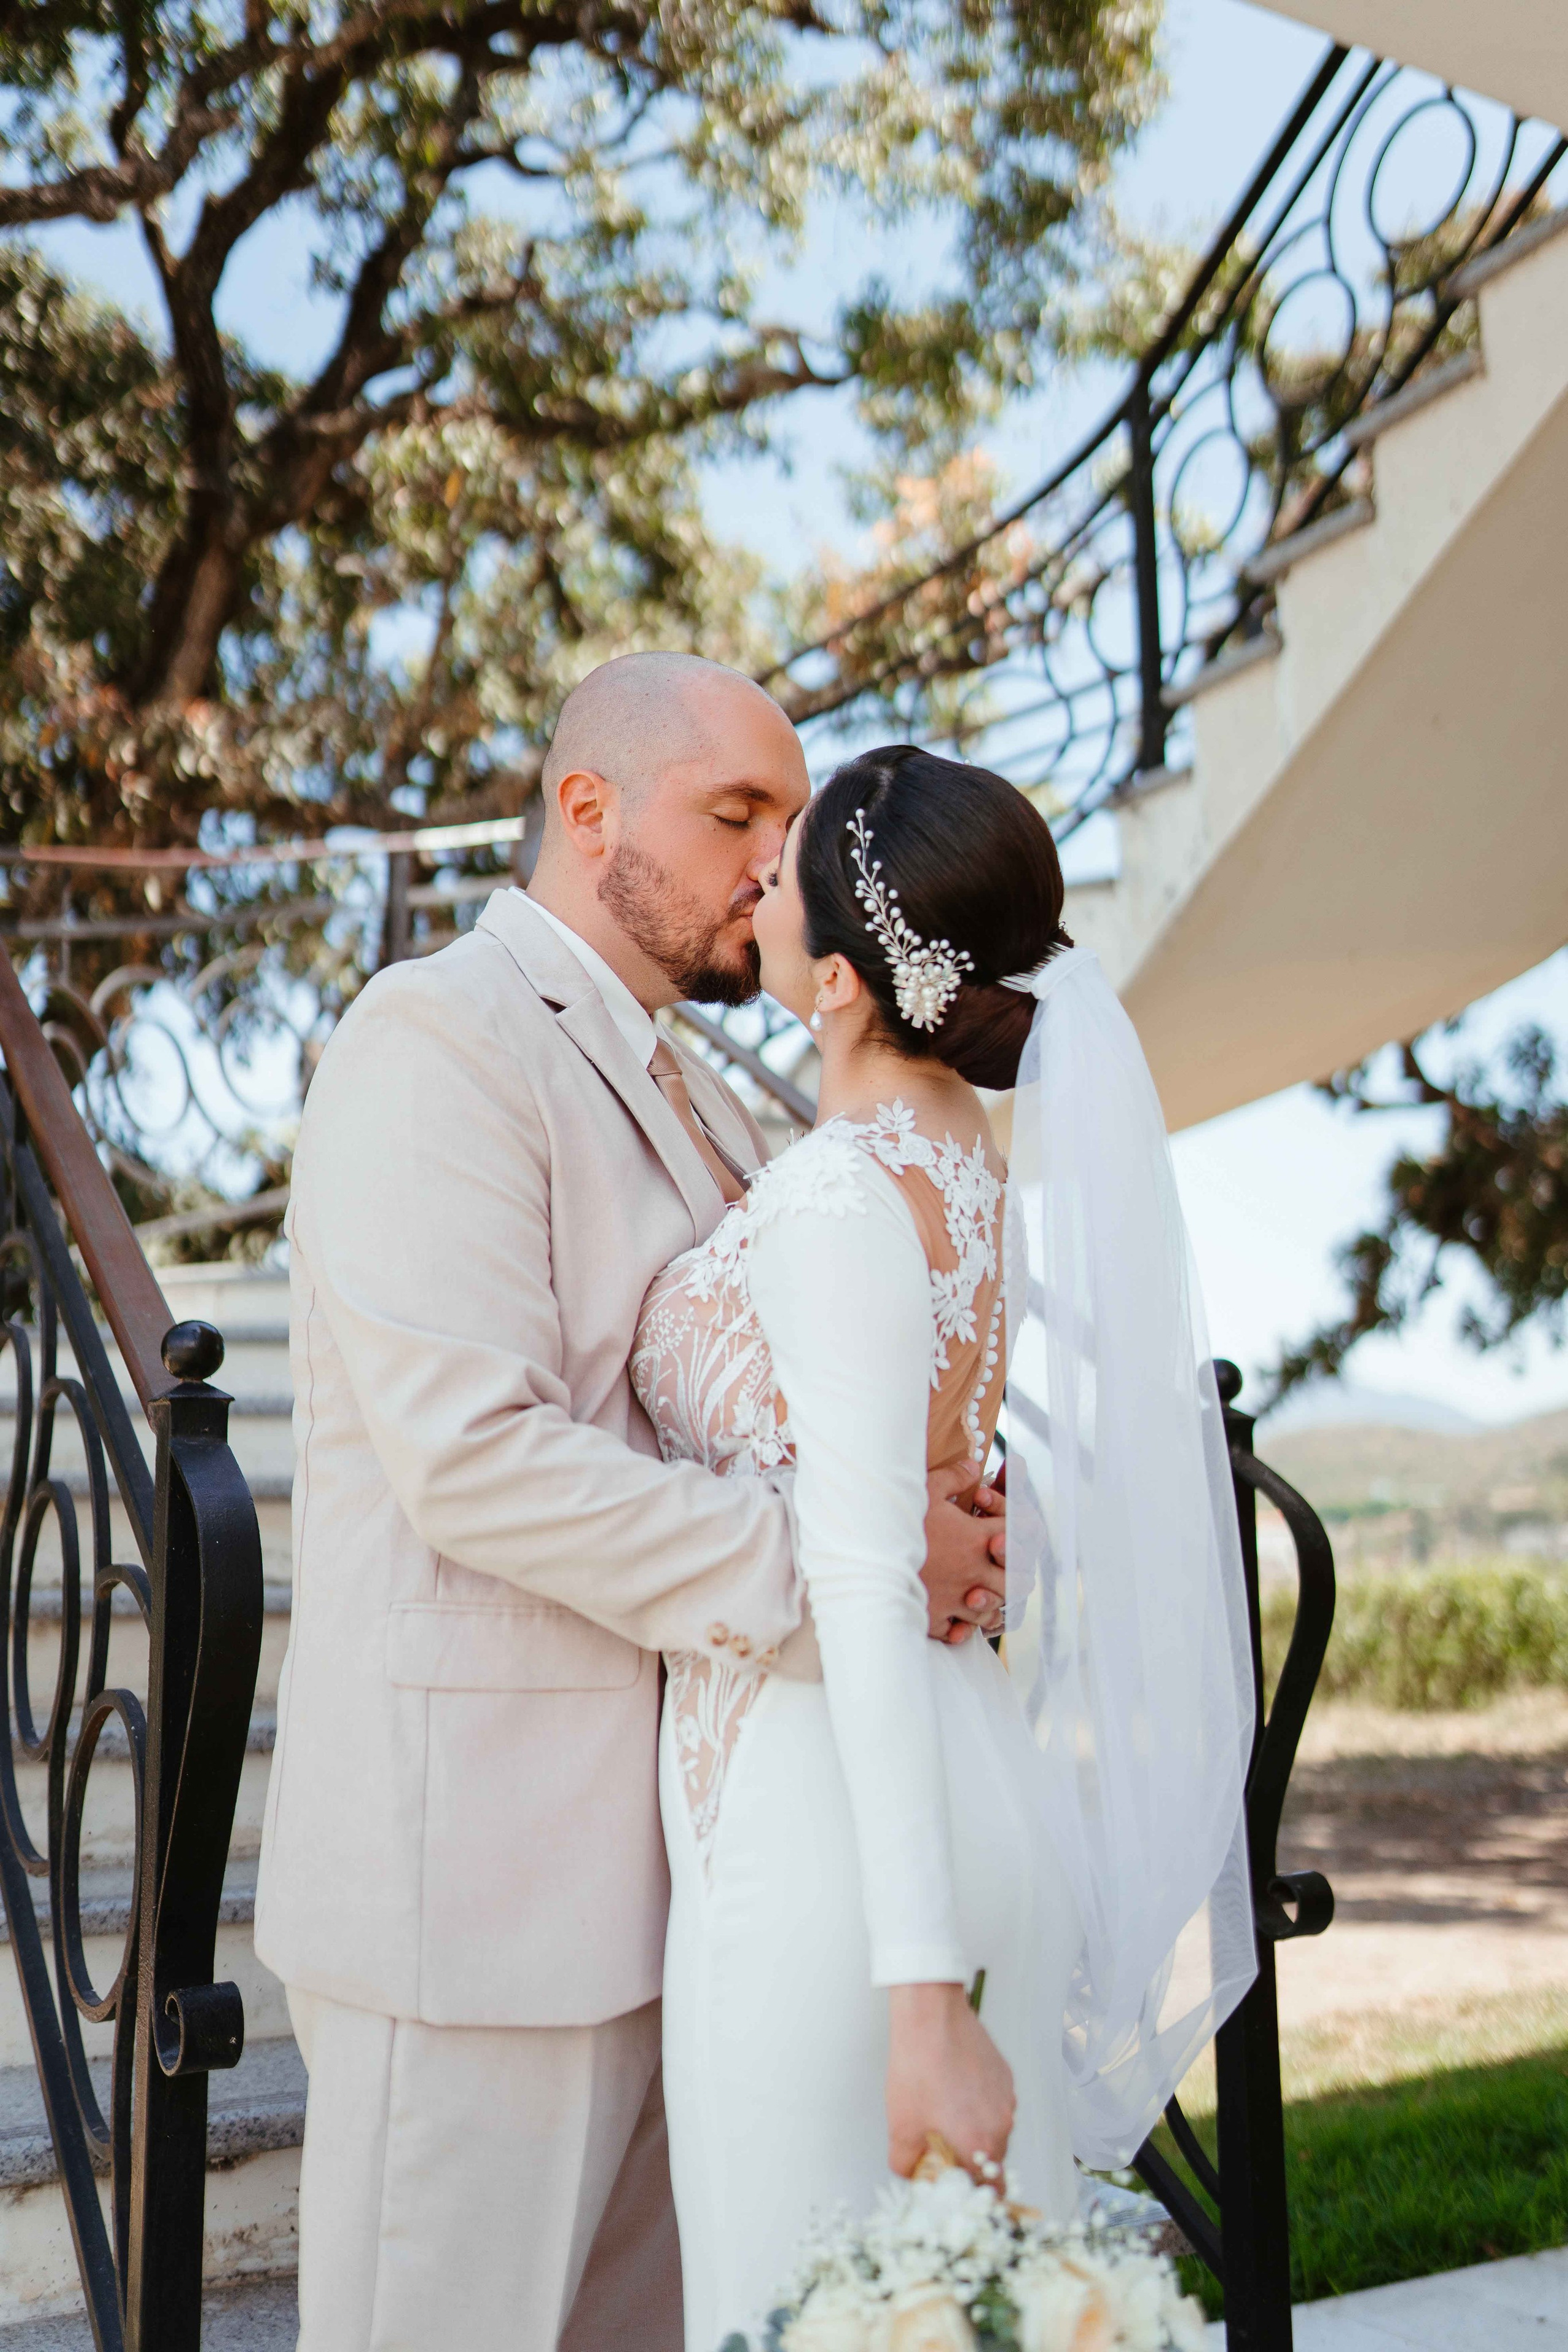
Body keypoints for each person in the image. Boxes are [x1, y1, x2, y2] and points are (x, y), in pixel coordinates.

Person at [254, 657, 1009, 2352]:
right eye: (733, 811)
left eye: (789, 821)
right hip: (479, 1902)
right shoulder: (434, 1037)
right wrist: (851, 1571)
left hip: (700, 1892)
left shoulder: (725, 1099)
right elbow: (475, 1455)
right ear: (587, 813)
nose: (774, 858)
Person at [632, 744, 1259, 2350]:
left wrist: (921, 1998)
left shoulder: (847, 1194)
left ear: (837, 984)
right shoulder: (966, 1163)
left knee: (804, 2306)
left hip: (837, 1845)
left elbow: (854, 1570)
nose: (754, 876)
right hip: (961, 1778)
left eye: (784, 875)